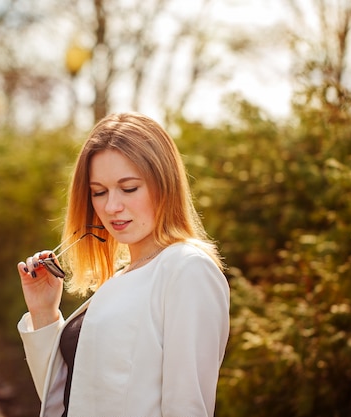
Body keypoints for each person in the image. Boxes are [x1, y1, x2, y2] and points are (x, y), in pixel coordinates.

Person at [16, 112, 230, 417]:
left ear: (164, 184)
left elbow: (187, 408)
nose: (111, 206)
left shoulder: (187, 270)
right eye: (99, 192)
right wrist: (43, 312)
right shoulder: (122, 277)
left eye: (129, 188)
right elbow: (68, 398)